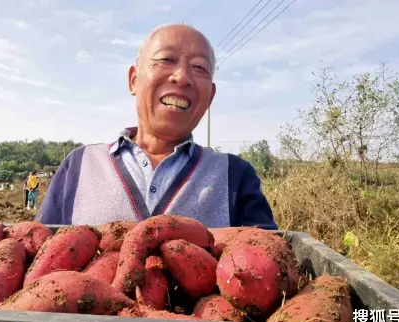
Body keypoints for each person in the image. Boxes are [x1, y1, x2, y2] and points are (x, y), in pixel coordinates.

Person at [35, 24, 277, 229]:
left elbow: (269, 261)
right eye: (166, 60)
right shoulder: (80, 165)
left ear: (210, 96)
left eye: (199, 68)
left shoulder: (234, 175)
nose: (182, 77)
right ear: (133, 80)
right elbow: (37, 255)